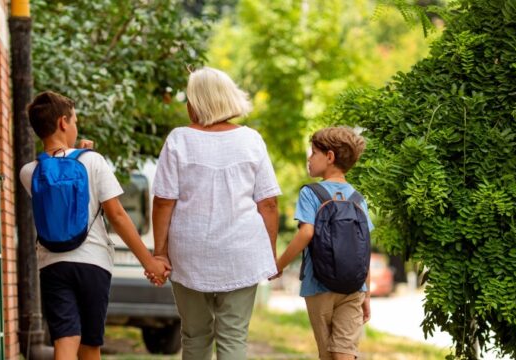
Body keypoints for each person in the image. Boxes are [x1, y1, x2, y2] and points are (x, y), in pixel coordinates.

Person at [19, 91, 170, 360]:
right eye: (75, 121)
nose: (76, 127)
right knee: (90, 345)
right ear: (64, 123)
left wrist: (84, 155)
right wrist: (149, 261)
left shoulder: (29, 172)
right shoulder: (93, 161)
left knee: (65, 339)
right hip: (93, 263)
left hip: (52, 264)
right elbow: (117, 215)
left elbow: (59, 191)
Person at [149, 67, 281, 360]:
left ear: (198, 102)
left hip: (189, 252)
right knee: (233, 336)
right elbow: (268, 203)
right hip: (242, 252)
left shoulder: (179, 139)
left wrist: (160, 252)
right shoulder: (251, 140)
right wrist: (270, 253)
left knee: (195, 336)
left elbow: (163, 202)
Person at [272, 126, 373, 360]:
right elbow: (363, 247)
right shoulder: (358, 199)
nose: (309, 158)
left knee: (327, 354)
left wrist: (279, 264)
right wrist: (366, 294)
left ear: (329, 157)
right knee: (345, 352)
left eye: (313, 152)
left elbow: (306, 232)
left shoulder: (311, 193)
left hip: (318, 286)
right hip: (354, 288)